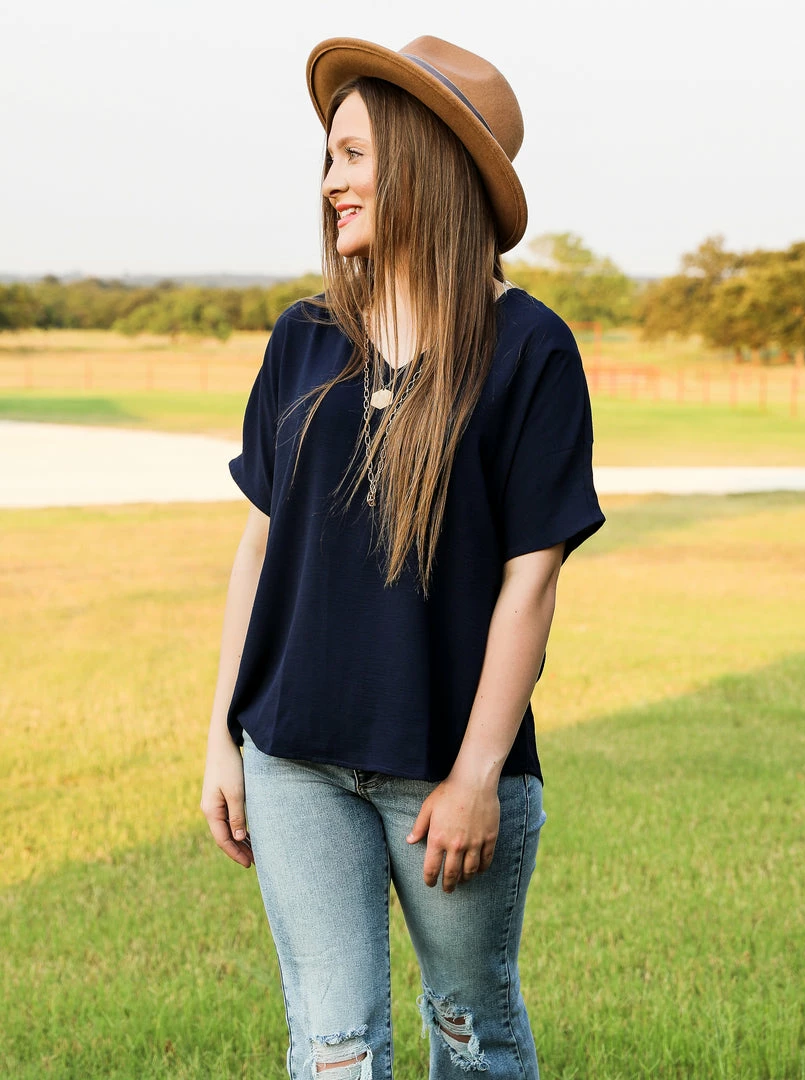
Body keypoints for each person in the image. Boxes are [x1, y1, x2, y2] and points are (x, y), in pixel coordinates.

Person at [201, 35, 604, 1080]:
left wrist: (475, 776)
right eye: (328, 157)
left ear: (426, 165)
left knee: (471, 1028)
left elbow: (531, 581)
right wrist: (222, 738)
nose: (331, 183)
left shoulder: (530, 349)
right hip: (293, 758)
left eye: (355, 156)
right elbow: (259, 548)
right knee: (334, 1044)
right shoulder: (302, 338)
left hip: (446, 769)